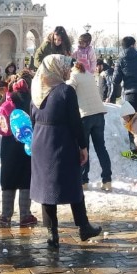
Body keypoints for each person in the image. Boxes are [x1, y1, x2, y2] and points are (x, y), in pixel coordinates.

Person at [30, 55, 101, 248]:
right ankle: (84, 226)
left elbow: (32, 117)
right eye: (66, 67)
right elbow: (75, 121)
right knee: (73, 182)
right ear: (57, 69)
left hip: (40, 141)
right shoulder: (65, 91)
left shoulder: (37, 90)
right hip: (61, 141)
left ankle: (52, 234)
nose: (69, 70)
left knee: (46, 187)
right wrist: (83, 146)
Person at [0, 78, 37, 227]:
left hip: (8, 145)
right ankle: (25, 215)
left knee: (8, 178)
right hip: (26, 144)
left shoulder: (7, 99)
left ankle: (5, 216)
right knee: (25, 178)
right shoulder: (31, 100)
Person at [67, 63, 112, 191]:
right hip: (99, 114)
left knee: (83, 149)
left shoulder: (73, 76)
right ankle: (107, 180)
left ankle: (83, 181)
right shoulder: (89, 75)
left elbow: (68, 93)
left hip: (85, 115)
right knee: (101, 148)